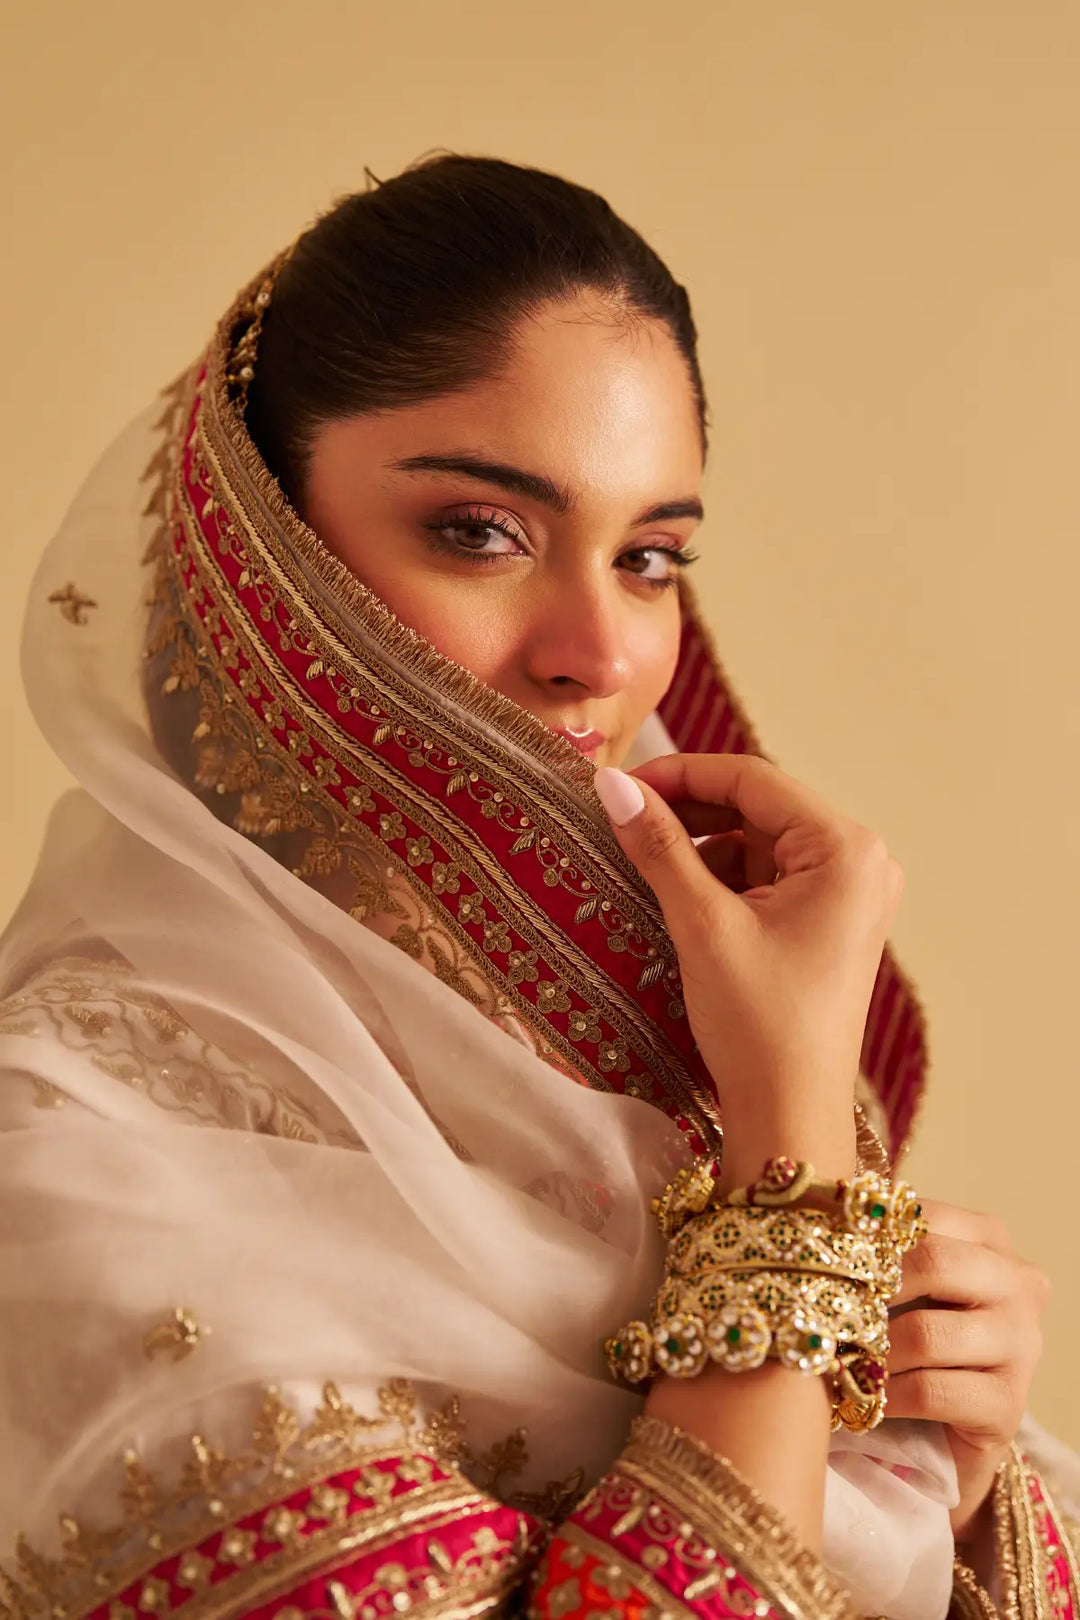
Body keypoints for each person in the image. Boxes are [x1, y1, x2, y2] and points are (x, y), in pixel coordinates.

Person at [0, 153, 1073, 1620]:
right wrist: (791, 1199)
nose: (603, 652)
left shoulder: (645, 1108)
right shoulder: (75, 1153)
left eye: (648, 557)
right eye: (480, 532)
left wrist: (946, 1465)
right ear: (260, 557)